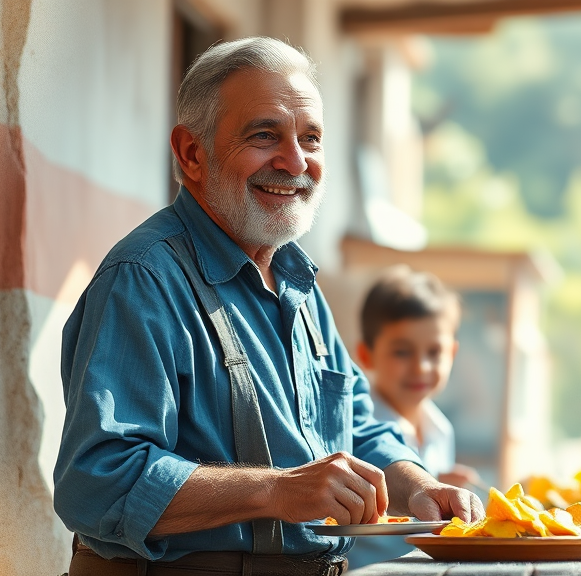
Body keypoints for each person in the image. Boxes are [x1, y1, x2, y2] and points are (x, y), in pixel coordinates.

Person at [53, 37, 482, 576]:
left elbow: (358, 424)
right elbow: (97, 480)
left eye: (311, 138)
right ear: (191, 153)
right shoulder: (144, 278)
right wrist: (277, 491)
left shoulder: (298, 283)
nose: (295, 161)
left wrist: (419, 486)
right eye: (264, 135)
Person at [347, 266, 482, 568]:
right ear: (366, 355)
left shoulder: (441, 428)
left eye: (434, 352)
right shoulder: (358, 431)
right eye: (402, 352)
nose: (421, 367)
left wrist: (439, 486)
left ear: (453, 354)